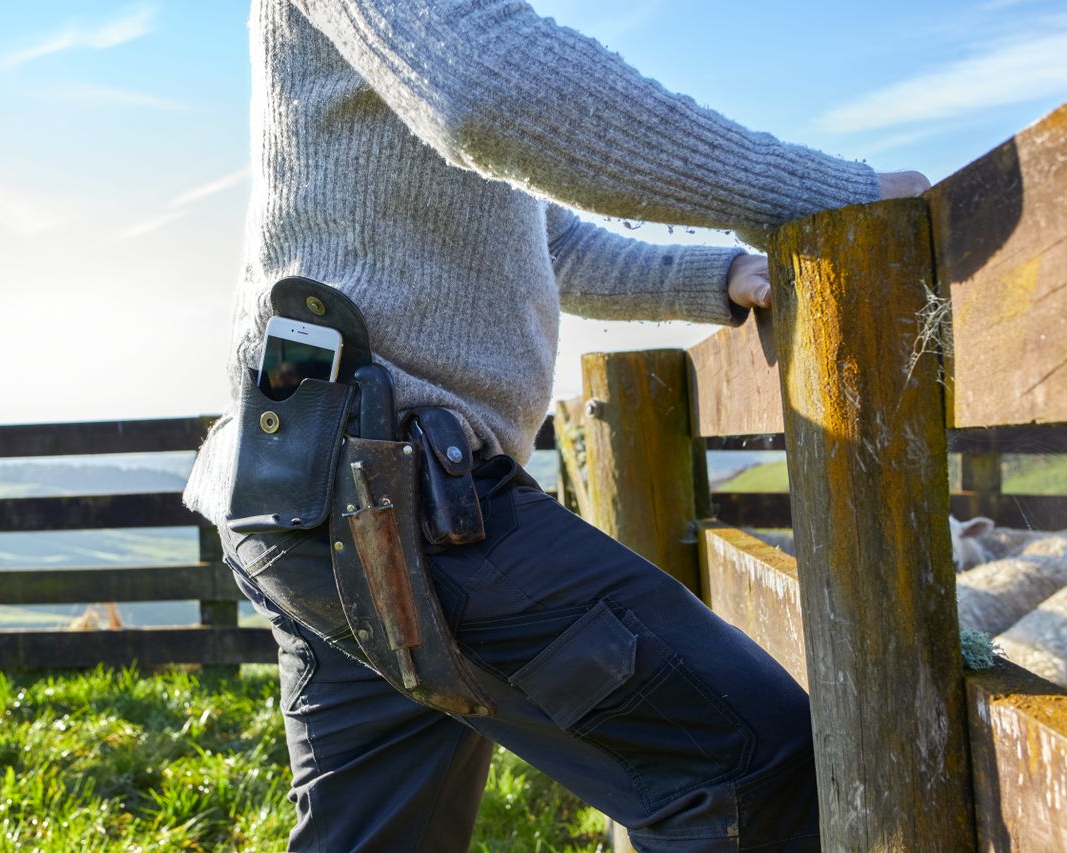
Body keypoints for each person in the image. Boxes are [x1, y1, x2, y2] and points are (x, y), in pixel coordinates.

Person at [183, 1, 930, 849]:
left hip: (314, 494)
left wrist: (716, 274)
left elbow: (547, 242)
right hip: (385, 491)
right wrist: (828, 196)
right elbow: (487, 92)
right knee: (747, 766)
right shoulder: (447, 44)